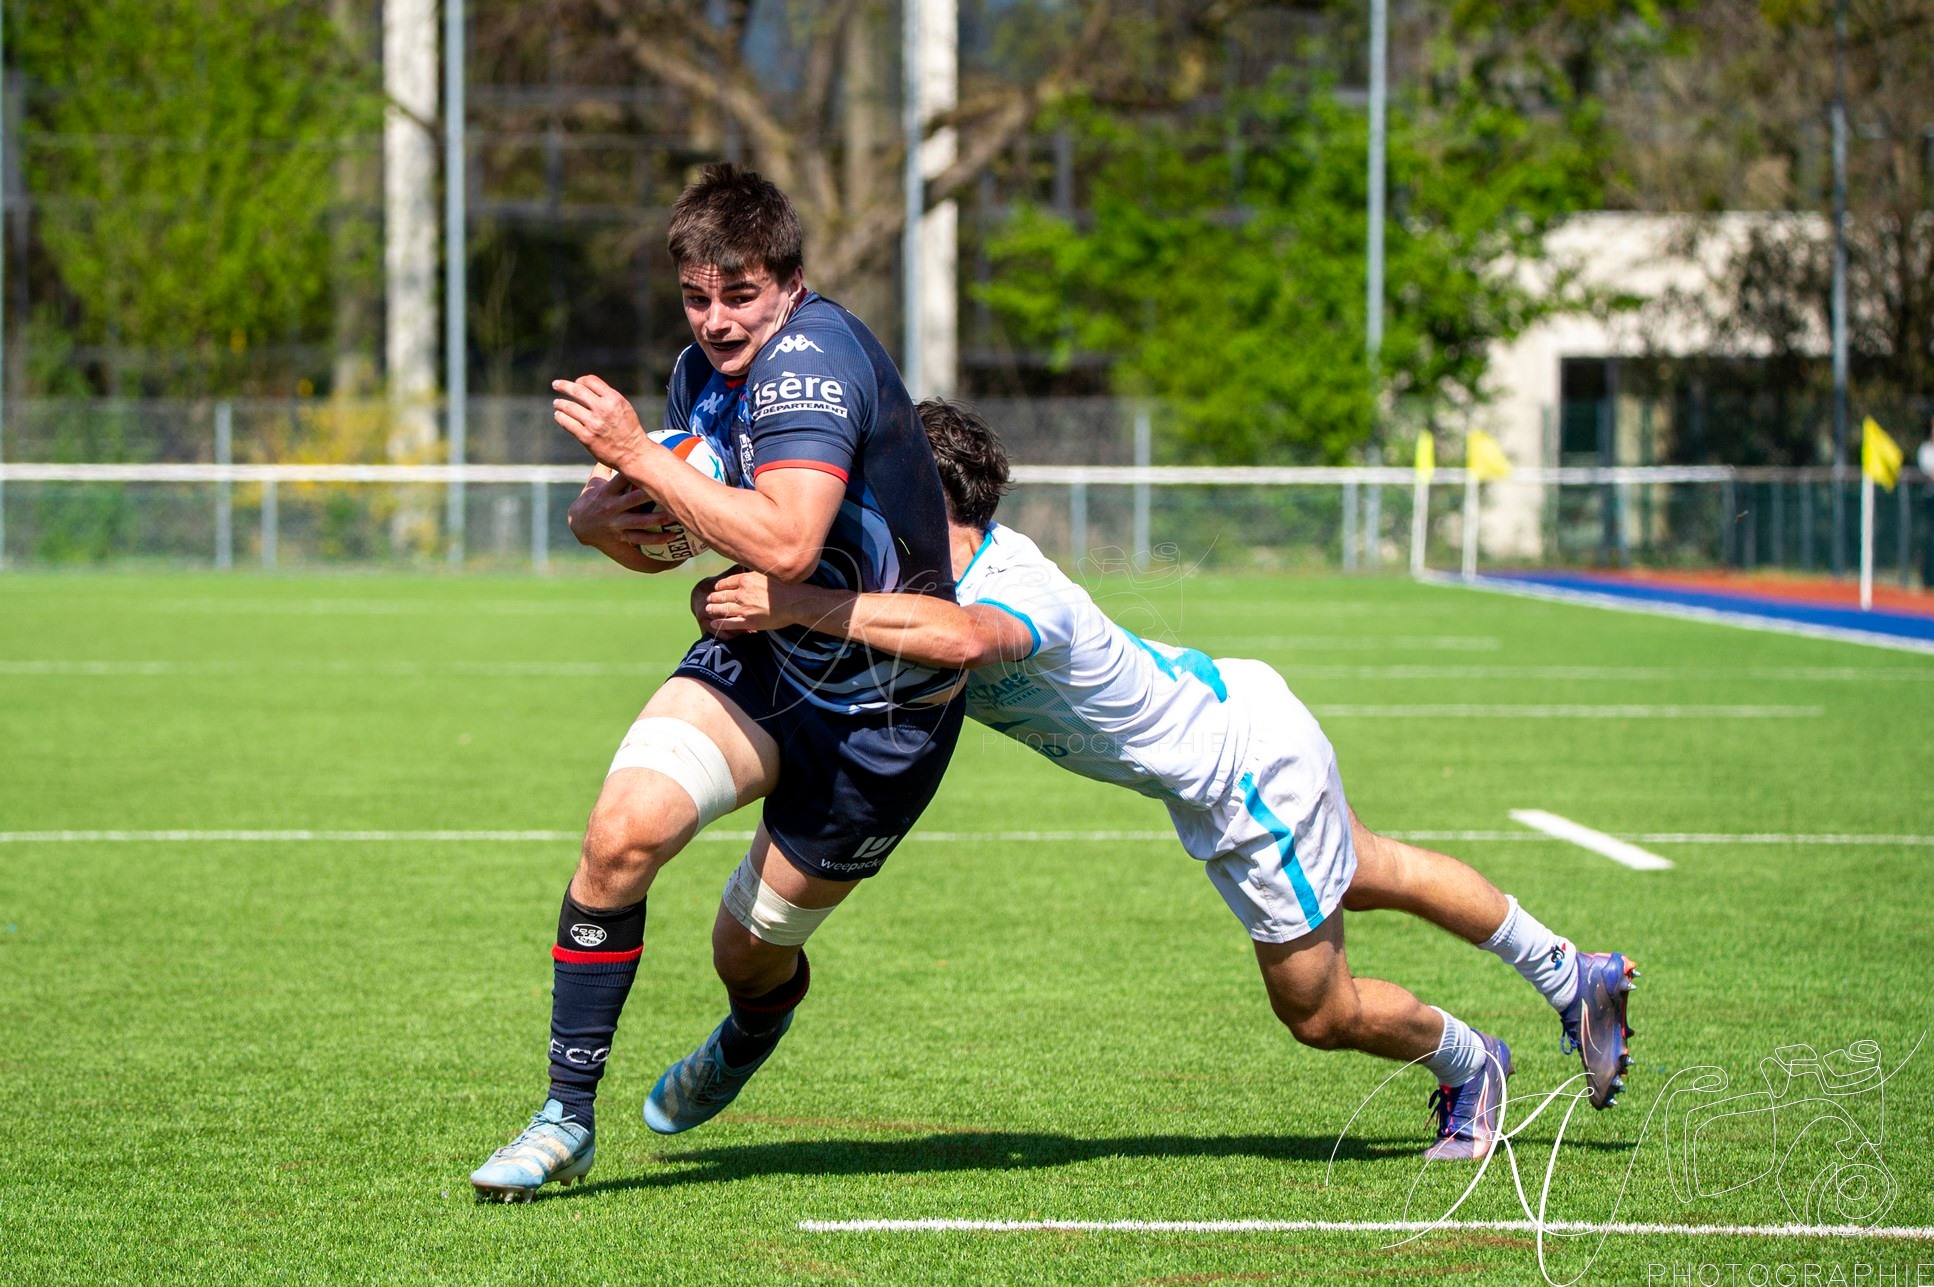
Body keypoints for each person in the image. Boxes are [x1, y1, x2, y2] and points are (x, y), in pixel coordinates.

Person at [695, 400, 1640, 1161]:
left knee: (1318, 1010)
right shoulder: (915, 580)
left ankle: (1474, 1065)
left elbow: (966, 640)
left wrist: (795, 601)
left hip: (1246, 773)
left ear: (926, 496)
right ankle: (1572, 974)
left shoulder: (1015, 585)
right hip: (1245, 714)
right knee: (1368, 867)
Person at [469, 164, 965, 1200]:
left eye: (739, 294)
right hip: (767, 658)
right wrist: (598, 523)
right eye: (697, 296)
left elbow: (784, 539)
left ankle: (751, 1028)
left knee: (746, 950)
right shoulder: (698, 377)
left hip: (884, 709)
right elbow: (691, 529)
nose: (716, 319)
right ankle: (565, 1117)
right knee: (620, 837)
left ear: (789, 280)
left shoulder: (810, 366)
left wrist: (633, 460)